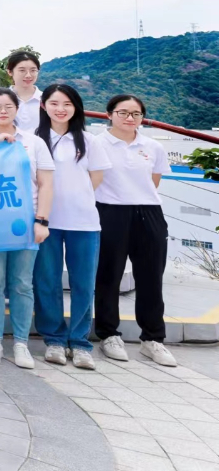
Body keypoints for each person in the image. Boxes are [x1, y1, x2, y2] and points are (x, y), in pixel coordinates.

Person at [0, 88, 54, 370]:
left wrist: (42, 220)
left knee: (22, 282)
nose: (2, 111)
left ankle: (20, 342)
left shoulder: (34, 142)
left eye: (8, 106)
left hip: (26, 221)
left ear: (18, 110)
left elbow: (46, 184)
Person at [93, 94, 176, 367]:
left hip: (149, 213)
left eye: (136, 114)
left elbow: (154, 182)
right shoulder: (97, 144)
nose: (130, 118)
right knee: (108, 277)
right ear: (109, 114)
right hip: (110, 212)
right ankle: (108, 335)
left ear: (142, 117)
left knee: (151, 278)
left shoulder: (153, 146)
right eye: (123, 112)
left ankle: (152, 339)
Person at [33, 84, 110, 370]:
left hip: (83, 222)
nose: (61, 109)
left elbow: (96, 178)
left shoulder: (89, 141)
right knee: (46, 281)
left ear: (76, 107)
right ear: (44, 106)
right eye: (54, 103)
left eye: (67, 103)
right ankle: (54, 339)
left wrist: (76, 197)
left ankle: (79, 342)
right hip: (46, 221)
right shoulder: (35, 139)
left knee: (83, 284)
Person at [6, 51, 42, 132]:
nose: (28, 75)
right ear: (10, 72)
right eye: (22, 70)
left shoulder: (46, 100)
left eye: (33, 70)